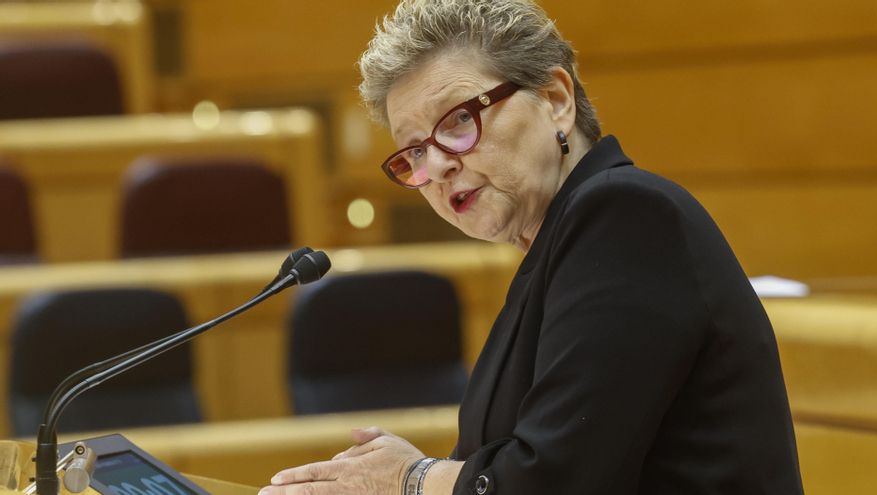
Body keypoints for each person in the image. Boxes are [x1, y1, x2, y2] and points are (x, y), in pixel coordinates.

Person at [261, 1, 804, 493]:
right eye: (415, 152)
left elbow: (554, 479)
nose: (440, 165)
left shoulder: (626, 214)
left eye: (459, 120)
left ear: (555, 99)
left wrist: (411, 478)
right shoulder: (554, 252)